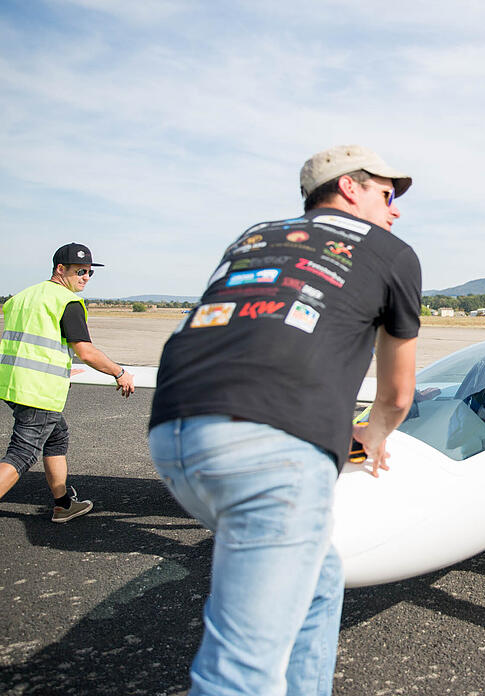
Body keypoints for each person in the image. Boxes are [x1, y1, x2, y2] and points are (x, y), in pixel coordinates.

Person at [147, 144, 421, 695]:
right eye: (387, 195)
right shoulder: (391, 253)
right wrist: (373, 435)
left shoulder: (254, 235)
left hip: (174, 433)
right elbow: (396, 393)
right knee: (239, 673)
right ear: (350, 187)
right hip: (271, 450)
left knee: (319, 581)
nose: (396, 211)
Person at [0, 243, 135, 522]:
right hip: (38, 390)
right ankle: (62, 504)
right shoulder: (67, 301)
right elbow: (85, 352)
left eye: (89, 272)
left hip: (11, 384)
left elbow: (31, 342)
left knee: (56, 435)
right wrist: (119, 373)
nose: (85, 277)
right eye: (79, 271)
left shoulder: (22, 297)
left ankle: (63, 504)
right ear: (60, 269)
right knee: (22, 455)